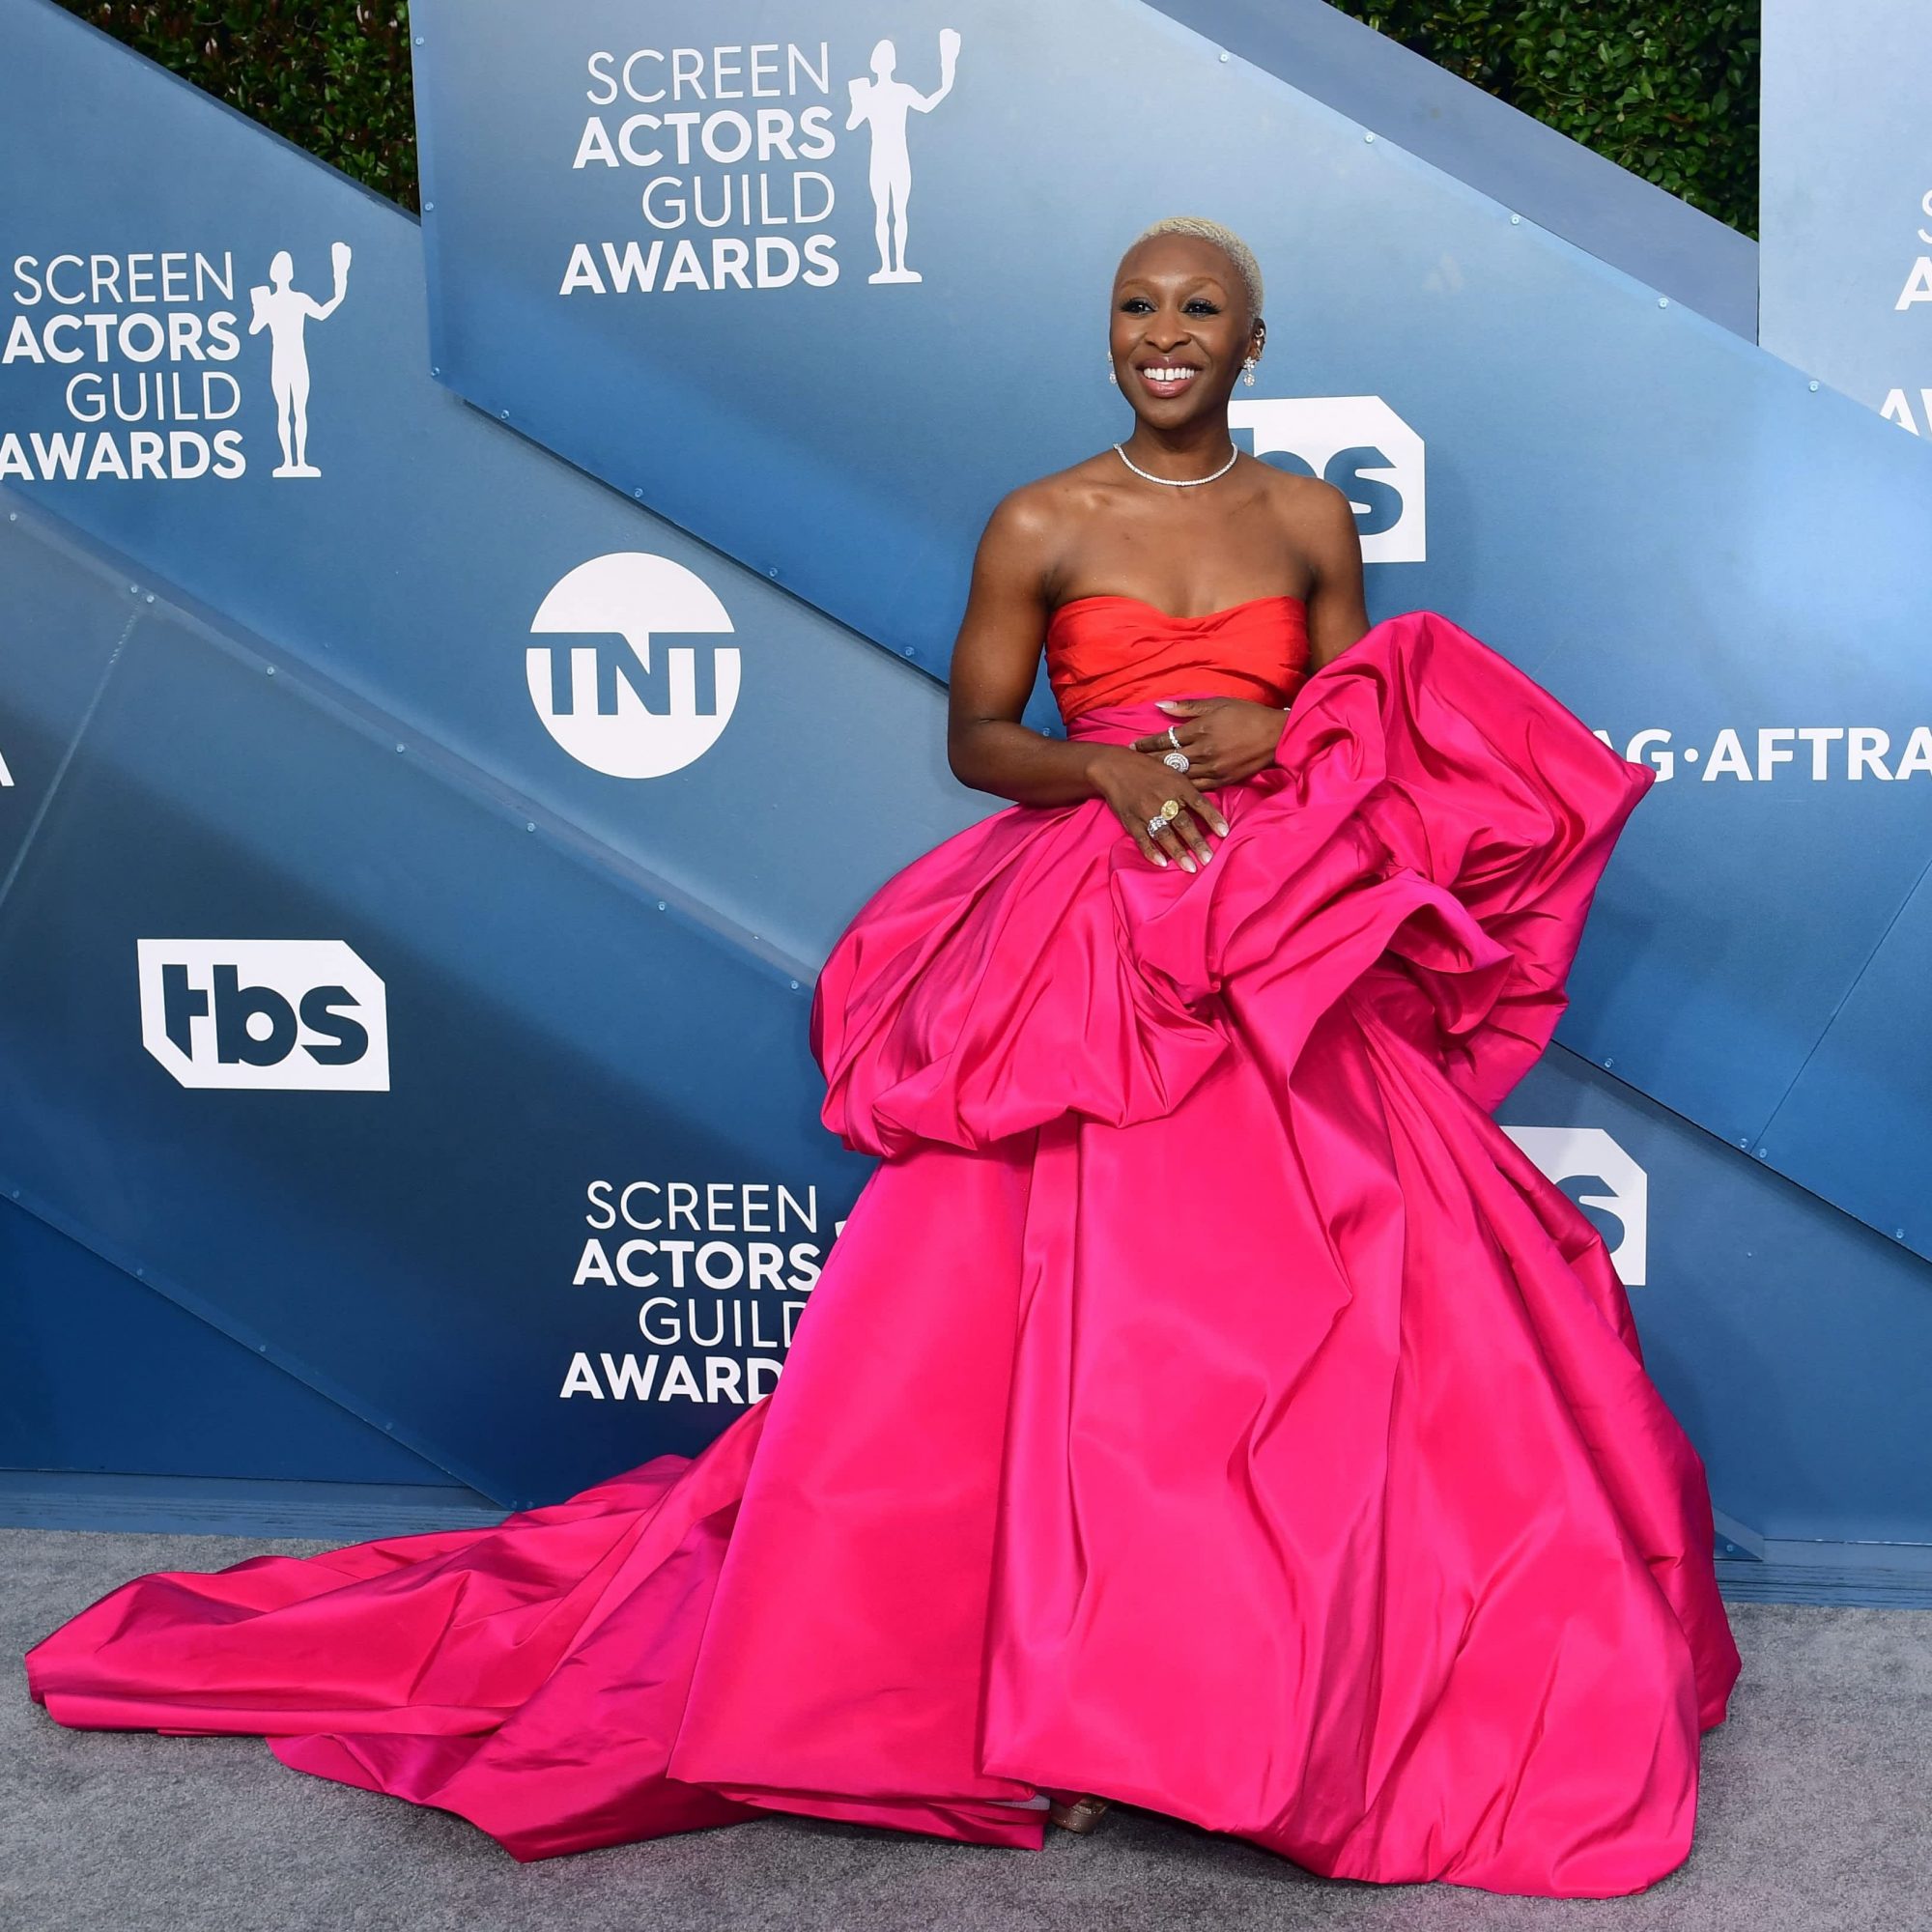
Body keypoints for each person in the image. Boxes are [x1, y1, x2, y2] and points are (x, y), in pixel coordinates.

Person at [23, 215, 1742, 1900]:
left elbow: (1374, 728)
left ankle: (1280, 1689)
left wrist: (1277, 725)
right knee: (1068, 1342)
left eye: (1200, 309)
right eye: (1138, 305)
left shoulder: (1307, 515)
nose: (1165, 333)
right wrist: (1108, 769)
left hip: (1274, 935)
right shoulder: (1041, 519)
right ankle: (1053, 1707)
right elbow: (982, 737)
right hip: (1095, 931)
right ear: (1111, 331)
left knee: (1304, 1324)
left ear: (1252, 341)